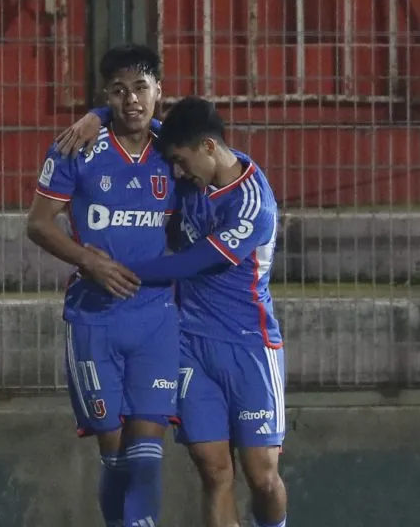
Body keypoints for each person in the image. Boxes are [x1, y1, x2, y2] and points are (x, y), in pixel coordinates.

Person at [95, 97, 288, 527]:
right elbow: (142, 116)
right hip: (190, 348)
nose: (177, 173)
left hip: (249, 349)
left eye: (181, 162)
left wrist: (119, 272)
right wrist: (97, 116)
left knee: (263, 477)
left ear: (207, 147)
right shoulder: (191, 176)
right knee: (214, 470)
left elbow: (191, 261)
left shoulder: (253, 204)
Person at [26, 44, 178, 527]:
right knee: (115, 457)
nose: (131, 99)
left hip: (157, 319)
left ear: (159, 91)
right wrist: (88, 260)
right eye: (118, 90)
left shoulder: (173, 148)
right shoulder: (78, 147)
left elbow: (216, 152)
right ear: (104, 94)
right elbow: (39, 223)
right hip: (95, 320)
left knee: (147, 456)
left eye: (141, 88)